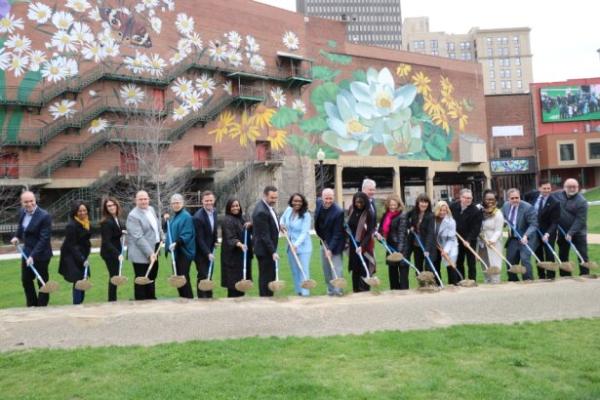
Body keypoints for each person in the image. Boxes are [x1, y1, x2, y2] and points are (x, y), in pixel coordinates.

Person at [10, 191, 53, 307]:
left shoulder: (44, 216)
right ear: (21, 202)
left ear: (35, 200)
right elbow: (21, 227)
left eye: (31, 201)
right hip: (26, 252)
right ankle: (32, 305)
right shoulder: (22, 212)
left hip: (42, 254)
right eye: (26, 202)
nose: (29, 204)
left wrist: (33, 256)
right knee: (26, 280)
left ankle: (42, 305)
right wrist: (16, 237)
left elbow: (44, 239)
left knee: (42, 281)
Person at [126, 190, 162, 301]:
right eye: (140, 199)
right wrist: (150, 253)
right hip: (141, 252)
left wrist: (162, 236)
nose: (143, 201)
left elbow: (157, 225)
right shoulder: (133, 216)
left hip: (154, 248)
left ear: (148, 199)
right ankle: (140, 302)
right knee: (142, 279)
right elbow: (138, 237)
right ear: (136, 200)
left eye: (145, 199)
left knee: (152, 276)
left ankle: (151, 299)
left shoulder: (151, 209)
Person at [58, 201, 92, 305]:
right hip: (72, 257)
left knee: (83, 279)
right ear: (75, 212)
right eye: (80, 211)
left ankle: (80, 303)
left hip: (82, 254)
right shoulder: (71, 226)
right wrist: (82, 258)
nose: (82, 212)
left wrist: (86, 256)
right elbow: (71, 246)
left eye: (84, 210)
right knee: (77, 281)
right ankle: (77, 305)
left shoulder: (86, 223)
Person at [525, 180, 560, 279]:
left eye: (549, 188)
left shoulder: (555, 203)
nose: (547, 190)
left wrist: (548, 234)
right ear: (539, 188)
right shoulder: (533, 195)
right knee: (538, 254)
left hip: (548, 232)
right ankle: (541, 275)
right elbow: (523, 199)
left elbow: (555, 222)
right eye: (544, 188)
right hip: (535, 231)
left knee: (549, 254)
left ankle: (551, 275)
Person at [280, 193, 313, 296]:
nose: (297, 203)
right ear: (291, 201)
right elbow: (282, 219)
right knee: (295, 272)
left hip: (303, 248)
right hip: (290, 247)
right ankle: (298, 292)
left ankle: (305, 294)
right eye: (295, 201)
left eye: (299, 201)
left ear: (302, 203)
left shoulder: (306, 215)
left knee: (303, 271)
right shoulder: (288, 210)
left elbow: (304, 233)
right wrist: (281, 225)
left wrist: (296, 244)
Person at [555, 178, 589, 276]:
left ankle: (585, 274)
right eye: (570, 187)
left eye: (574, 187)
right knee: (563, 255)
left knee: (582, 255)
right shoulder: (558, 196)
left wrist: (570, 232)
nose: (572, 189)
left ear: (578, 188)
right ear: (564, 187)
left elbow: (580, 220)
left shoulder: (582, 201)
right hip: (562, 232)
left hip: (578, 233)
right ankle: (565, 276)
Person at [501, 188, 537, 281]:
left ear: (520, 197)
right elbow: (502, 218)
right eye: (512, 198)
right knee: (510, 260)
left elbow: (533, 224)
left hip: (526, 238)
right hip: (513, 237)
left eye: (517, 197)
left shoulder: (528, 208)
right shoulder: (505, 206)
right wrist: (503, 222)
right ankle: (513, 280)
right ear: (508, 199)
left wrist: (526, 236)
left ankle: (528, 279)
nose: (515, 200)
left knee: (525, 259)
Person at [314, 188, 345, 296]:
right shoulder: (318, 203)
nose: (328, 201)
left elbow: (337, 233)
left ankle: (338, 291)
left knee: (336, 268)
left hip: (335, 243)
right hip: (323, 241)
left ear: (334, 198)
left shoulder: (338, 212)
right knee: (326, 268)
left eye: (330, 198)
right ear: (322, 198)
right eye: (326, 198)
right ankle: (331, 290)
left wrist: (330, 249)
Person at [165, 194, 196, 299]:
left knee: (182, 277)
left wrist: (177, 243)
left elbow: (187, 233)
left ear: (182, 203)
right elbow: (171, 231)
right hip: (176, 252)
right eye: (173, 203)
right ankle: (183, 297)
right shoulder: (175, 216)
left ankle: (188, 299)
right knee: (177, 277)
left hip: (184, 252)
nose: (176, 205)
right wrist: (167, 221)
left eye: (178, 202)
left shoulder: (186, 216)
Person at [375, 194, 408, 290]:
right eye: (390, 205)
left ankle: (405, 294)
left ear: (398, 204)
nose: (392, 207)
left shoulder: (402, 215)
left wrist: (399, 251)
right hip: (390, 247)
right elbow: (381, 231)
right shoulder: (385, 215)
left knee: (403, 276)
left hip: (401, 249)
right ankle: (394, 294)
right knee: (392, 273)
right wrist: (379, 237)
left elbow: (402, 234)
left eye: (394, 205)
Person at [221, 198, 253, 298]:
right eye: (233, 206)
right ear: (229, 208)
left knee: (242, 284)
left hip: (242, 256)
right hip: (232, 258)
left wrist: (250, 225)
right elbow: (230, 237)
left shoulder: (241, 219)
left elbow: (248, 232)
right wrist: (239, 244)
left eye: (237, 205)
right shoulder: (227, 220)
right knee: (234, 286)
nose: (236, 208)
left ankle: (240, 305)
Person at [252, 186, 280, 297]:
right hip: (264, 250)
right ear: (265, 195)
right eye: (272, 198)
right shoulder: (261, 211)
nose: (274, 200)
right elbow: (264, 235)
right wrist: (273, 251)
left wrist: (278, 226)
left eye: (276, 198)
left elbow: (270, 224)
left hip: (266, 249)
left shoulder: (267, 207)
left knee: (270, 276)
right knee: (266, 277)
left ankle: (268, 297)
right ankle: (265, 299)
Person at [450, 188, 483, 281]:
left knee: (471, 263)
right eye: (466, 198)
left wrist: (468, 240)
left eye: (470, 198)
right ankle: (461, 280)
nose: (468, 200)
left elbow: (476, 228)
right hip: (457, 239)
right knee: (459, 261)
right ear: (460, 197)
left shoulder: (476, 211)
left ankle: (472, 280)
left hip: (470, 240)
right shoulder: (453, 206)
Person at [346, 191, 376, 292]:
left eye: (361, 203)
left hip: (365, 246)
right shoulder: (352, 210)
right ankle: (356, 291)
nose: (358, 205)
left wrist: (362, 246)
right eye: (356, 202)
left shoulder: (369, 214)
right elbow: (348, 225)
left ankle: (365, 292)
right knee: (355, 269)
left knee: (364, 269)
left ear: (365, 202)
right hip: (354, 244)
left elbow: (369, 233)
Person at [193, 190, 218, 299]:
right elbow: (199, 239)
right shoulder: (198, 217)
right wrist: (207, 253)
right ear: (202, 201)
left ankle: (209, 296)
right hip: (201, 252)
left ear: (214, 200)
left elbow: (214, 229)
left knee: (209, 275)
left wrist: (215, 241)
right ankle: (202, 299)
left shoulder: (214, 212)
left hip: (210, 249)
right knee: (203, 276)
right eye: (206, 201)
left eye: (210, 200)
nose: (209, 202)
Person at [100, 197, 125, 302]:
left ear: (116, 205)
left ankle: (113, 299)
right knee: (114, 277)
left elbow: (116, 233)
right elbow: (106, 241)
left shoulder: (116, 219)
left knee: (115, 276)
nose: (111, 207)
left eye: (113, 205)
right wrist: (117, 254)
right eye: (109, 206)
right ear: (106, 208)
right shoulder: (106, 222)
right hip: (110, 254)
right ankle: (112, 300)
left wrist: (122, 232)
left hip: (116, 251)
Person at [477, 190, 504, 284]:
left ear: (496, 200)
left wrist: (492, 240)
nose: (490, 201)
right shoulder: (479, 209)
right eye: (488, 199)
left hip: (493, 242)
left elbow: (498, 230)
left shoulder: (498, 213)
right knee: (484, 261)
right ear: (484, 199)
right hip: (481, 242)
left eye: (492, 199)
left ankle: (496, 281)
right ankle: (487, 280)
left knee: (494, 261)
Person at [405, 193, 436, 276]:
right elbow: (404, 217)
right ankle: (421, 286)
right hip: (416, 244)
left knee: (428, 267)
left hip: (427, 245)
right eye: (421, 202)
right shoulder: (414, 212)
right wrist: (410, 226)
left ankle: (430, 285)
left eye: (426, 202)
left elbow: (430, 233)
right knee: (418, 267)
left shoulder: (430, 216)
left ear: (428, 204)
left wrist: (427, 249)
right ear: (418, 203)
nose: (424, 204)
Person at [433, 200, 458, 286]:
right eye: (441, 210)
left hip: (449, 245)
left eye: (445, 210)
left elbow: (451, 239)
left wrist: (446, 250)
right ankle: (438, 284)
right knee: (435, 264)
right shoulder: (432, 219)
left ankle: (453, 285)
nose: (443, 212)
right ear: (437, 210)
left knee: (450, 264)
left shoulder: (451, 221)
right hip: (435, 244)